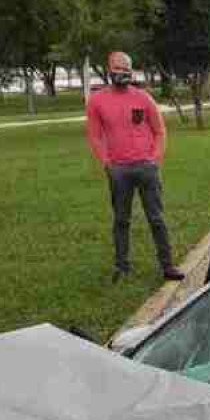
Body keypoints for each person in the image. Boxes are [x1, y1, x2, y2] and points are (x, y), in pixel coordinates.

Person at [86, 51, 184, 283]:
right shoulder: (97, 101)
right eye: (116, 68)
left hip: (146, 168)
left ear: (131, 71)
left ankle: (168, 265)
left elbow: (160, 131)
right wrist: (106, 162)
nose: (121, 73)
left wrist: (155, 159)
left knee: (157, 218)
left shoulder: (143, 98)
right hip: (118, 170)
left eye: (125, 69)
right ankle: (122, 267)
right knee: (121, 219)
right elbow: (95, 136)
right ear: (109, 69)